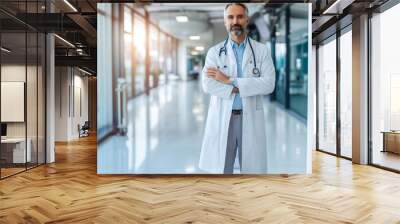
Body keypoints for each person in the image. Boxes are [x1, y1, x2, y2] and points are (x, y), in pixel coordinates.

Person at [199, 3, 276, 174]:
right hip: (223, 116)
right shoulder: (214, 52)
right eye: (231, 17)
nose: (235, 21)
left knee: (251, 171)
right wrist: (240, 87)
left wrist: (228, 80)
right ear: (225, 21)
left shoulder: (261, 51)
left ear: (247, 20)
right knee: (223, 169)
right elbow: (208, 84)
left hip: (250, 117)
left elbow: (269, 84)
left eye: (240, 16)